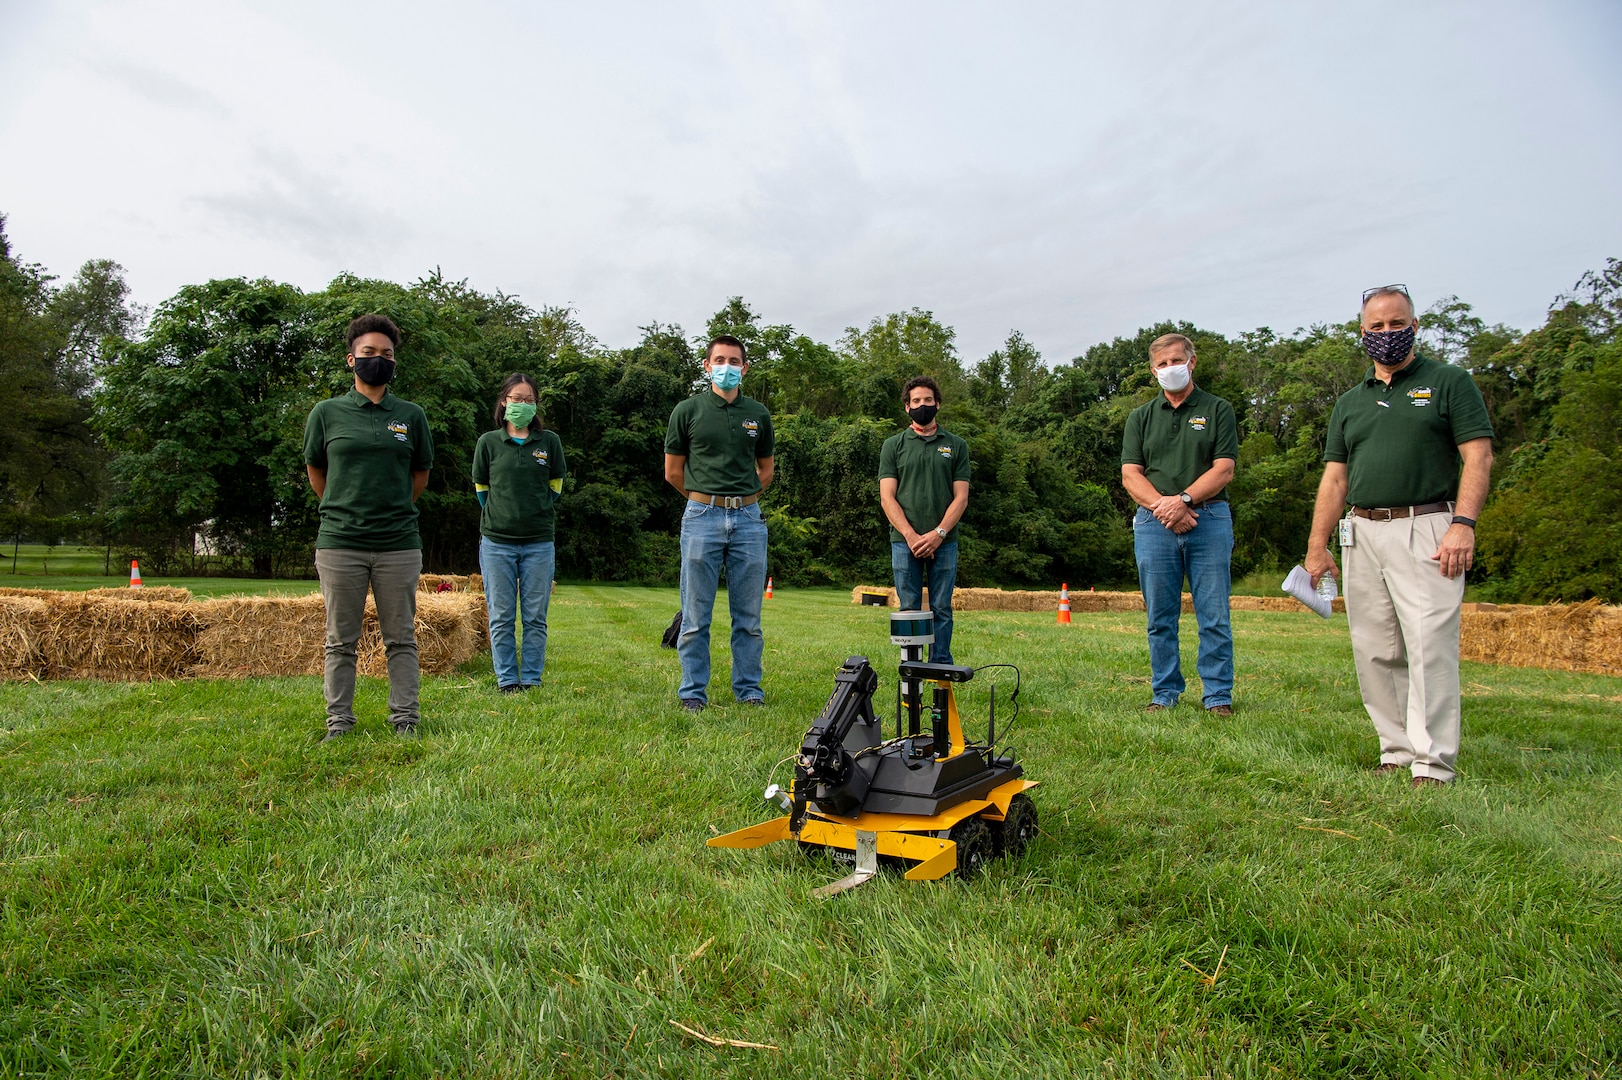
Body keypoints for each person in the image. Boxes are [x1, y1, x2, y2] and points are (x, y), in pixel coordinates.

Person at [1307, 285, 1494, 788]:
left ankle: (1432, 764)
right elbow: (1335, 479)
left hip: (1429, 526)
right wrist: (1317, 545)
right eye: (1377, 327)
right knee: (1375, 647)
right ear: (1362, 332)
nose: (1387, 334)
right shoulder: (1350, 402)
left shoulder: (1449, 381)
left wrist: (1464, 524)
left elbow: (1478, 457)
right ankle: (1395, 749)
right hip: (1361, 531)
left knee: (1428, 644)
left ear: (1414, 324)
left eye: (1396, 324)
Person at [303, 314, 435, 740]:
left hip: (398, 544)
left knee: (401, 638)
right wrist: (346, 509)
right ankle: (338, 723)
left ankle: (406, 722)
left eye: (387, 354)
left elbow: (420, 476)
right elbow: (317, 471)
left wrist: (390, 509)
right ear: (351, 359)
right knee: (340, 641)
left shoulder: (411, 416)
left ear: (394, 363)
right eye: (369, 353)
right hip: (341, 543)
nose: (378, 360)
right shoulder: (326, 413)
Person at [1120, 333, 1239, 715]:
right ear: (1153, 370)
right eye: (1162, 364)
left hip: (1210, 517)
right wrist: (1163, 507)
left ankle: (1218, 695)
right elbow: (1130, 474)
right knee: (1160, 616)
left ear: (1192, 361)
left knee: (1214, 613)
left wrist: (1184, 500)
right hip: (1154, 523)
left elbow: (1224, 468)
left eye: (1177, 360)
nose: (1171, 368)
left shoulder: (1218, 409)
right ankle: (1164, 692)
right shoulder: (1141, 417)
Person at [663, 335, 774, 711]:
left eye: (734, 360)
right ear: (707, 366)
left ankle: (749, 690)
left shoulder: (757, 414)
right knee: (695, 615)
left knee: (749, 617)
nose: (727, 366)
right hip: (700, 518)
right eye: (719, 360)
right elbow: (673, 472)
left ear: (744, 367)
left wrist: (740, 500)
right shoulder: (688, 410)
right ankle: (693, 693)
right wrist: (704, 500)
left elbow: (766, 469)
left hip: (748, 519)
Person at [472, 373, 567, 693]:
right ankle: (507, 680)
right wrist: (503, 515)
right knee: (500, 617)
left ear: (536, 405)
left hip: (539, 542)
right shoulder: (488, 443)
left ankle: (531, 678)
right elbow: (482, 490)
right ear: (504, 402)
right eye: (516, 399)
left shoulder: (549, 442)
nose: (523, 404)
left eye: (529, 400)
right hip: (496, 543)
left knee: (535, 618)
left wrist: (533, 511)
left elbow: (555, 487)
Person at [878, 376, 971, 663]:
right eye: (916, 401)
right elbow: (887, 498)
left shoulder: (956, 445)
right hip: (904, 542)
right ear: (907, 407)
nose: (922, 405)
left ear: (938, 404)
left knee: (942, 606)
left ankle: (940, 664)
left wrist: (938, 534)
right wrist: (910, 535)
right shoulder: (893, 446)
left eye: (927, 400)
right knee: (909, 607)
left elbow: (961, 498)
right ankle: (912, 665)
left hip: (944, 541)